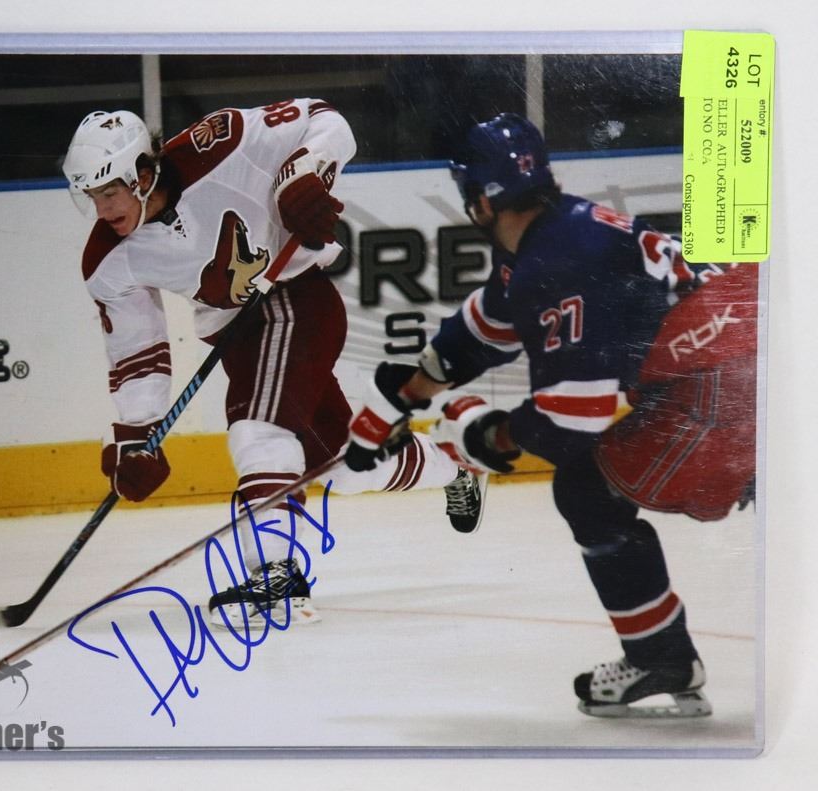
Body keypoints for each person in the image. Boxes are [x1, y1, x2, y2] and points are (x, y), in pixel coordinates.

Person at [345, 112, 758, 718]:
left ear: (479, 199)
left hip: (723, 383)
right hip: (753, 348)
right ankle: (662, 653)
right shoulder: (557, 233)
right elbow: (483, 329)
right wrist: (401, 399)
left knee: (587, 490)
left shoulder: (554, 263)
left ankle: (660, 657)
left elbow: (572, 419)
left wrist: (484, 435)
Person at [61, 100, 481, 629]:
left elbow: (328, 119)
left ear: (142, 175)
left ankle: (276, 574)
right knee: (347, 466)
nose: (102, 209)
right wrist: (135, 436)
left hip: (297, 299)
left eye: (109, 192)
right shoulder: (108, 259)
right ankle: (455, 466)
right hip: (239, 336)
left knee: (258, 431)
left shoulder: (222, 142)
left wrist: (302, 176)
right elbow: (137, 352)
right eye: (91, 196)